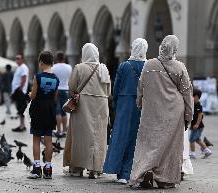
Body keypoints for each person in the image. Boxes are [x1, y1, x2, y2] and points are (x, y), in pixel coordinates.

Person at [129, 35, 193, 189]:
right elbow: (187, 93)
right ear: (175, 49)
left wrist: (140, 104)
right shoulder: (180, 67)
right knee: (170, 146)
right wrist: (188, 116)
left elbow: (141, 87)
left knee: (148, 142)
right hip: (174, 113)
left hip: (152, 111)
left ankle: (146, 171)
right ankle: (165, 179)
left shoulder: (149, 64)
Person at [103, 38, 148, 184]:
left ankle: (118, 171)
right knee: (135, 138)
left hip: (124, 103)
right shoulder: (148, 66)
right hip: (141, 105)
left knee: (120, 136)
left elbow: (116, 87)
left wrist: (116, 103)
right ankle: (129, 172)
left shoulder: (124, 66)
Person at [63, 43, 111, 179]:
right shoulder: (104, 68)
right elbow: (108, 90)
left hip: (83, 104)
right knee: (99, 136)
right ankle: (95, 169)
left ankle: (77, 168)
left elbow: (72, 87)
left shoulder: (79, 68)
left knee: (80, 136)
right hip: (101, 104)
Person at [28, 51, 59, 179]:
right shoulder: (56, 79)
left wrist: (30, 94)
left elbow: (33, 95)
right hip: (50, 110)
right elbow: (55, 97)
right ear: (52, 63)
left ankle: (36, 169)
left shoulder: (38, 77)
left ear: (41, 62)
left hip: (38, 109)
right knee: (48, 140)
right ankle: (48, 168)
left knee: (36, 138)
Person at [51, 51, 72, 137]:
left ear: (56, 58)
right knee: (64, 111)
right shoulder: (69, 67)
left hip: (56, 90)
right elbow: (69, 79)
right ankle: (64, 131)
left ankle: (58, 131)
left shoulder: (54, 67)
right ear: (63, 58)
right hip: (66, 90)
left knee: (57, 111)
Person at [189, 88, 212, 159]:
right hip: (195, 126)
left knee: (191, 139)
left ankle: (192, 153)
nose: (191, 98)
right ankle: (207, 151)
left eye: (193, 96)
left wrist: (197, 124)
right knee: (197, 139)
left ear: (197, 97)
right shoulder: (193, 104)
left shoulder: (198, 105)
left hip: (198, 126)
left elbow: (200, 115)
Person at [11, 54, 29, 132]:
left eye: (18, 58)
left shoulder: (23, 67)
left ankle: (22, 126)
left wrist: (20, 88)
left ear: (22, 59)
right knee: (19, 108)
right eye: (16, 58)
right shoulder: (19, 68)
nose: (17, 60)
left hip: (20, 91)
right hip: (17, 91)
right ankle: (22, 125)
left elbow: (24, 77)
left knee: (21, 108)